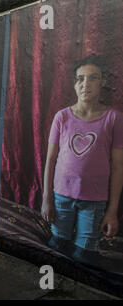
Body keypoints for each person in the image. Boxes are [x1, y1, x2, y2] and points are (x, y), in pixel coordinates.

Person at [41, 56, 123, 268]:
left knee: (84, 256)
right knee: (58, 245)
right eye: (80, 79)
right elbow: (50, 159)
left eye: (92, 78)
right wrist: (46, 197)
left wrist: (112, 210)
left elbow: (118, 166)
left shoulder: (114, 119)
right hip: (61, 197)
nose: (85, 84)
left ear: (102, 81)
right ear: (74, 83)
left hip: (94, 201)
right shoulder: (62, 117)